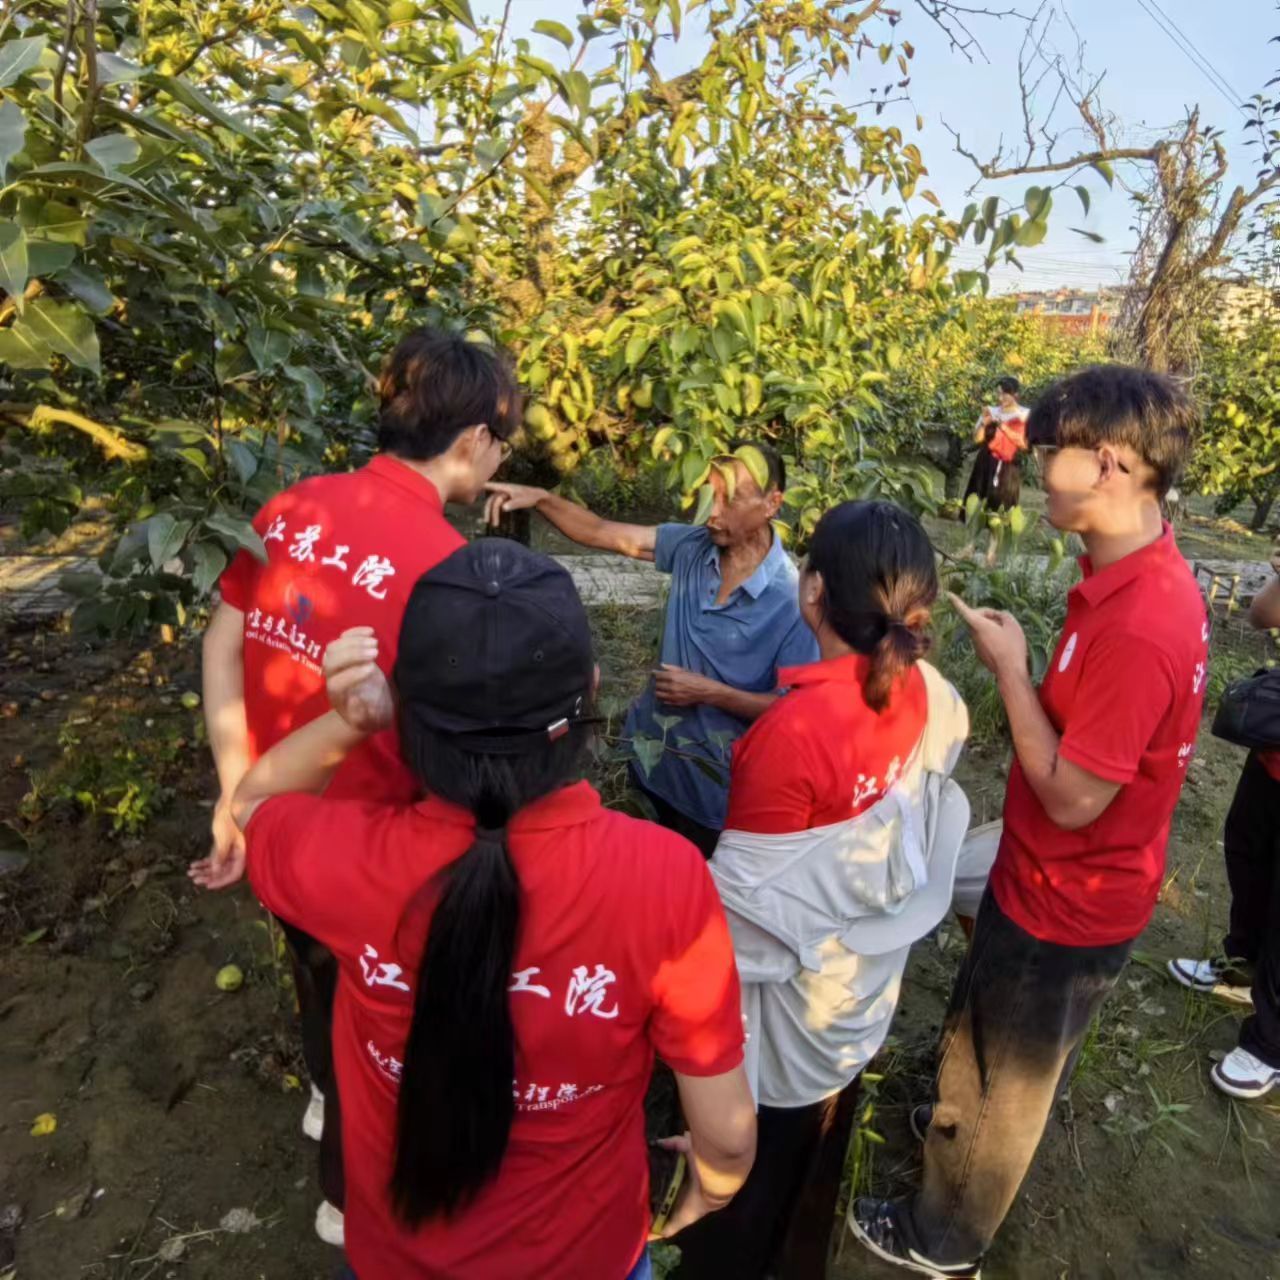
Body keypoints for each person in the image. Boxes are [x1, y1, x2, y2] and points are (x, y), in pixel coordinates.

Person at [232, 540, 757, 1280]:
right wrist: (709, 1190)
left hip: (391, 1259)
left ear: (405, 711)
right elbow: (727, 1136)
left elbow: (253, 804)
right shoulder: (662, 877)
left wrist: (351, 721)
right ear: (591, 693)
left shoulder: (348, 859)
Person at [849, 364, 1206, 1278]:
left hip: (1067, 900)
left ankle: (945, 1235)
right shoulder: (1124, 578)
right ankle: (955, 1126)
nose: (1037, 468)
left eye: (1052, 453)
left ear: (1110, 465)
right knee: (986, 1044)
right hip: (1049, 870)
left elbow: (1075, 796)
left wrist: (1010, 670)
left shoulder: (1141, 624)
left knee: (1006, 1076)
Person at [188, 329, 521, 1246]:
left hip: (274, 825)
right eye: (503, 441)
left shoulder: (292, 506)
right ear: (473, 441)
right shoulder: (449, 573)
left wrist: (237, 798)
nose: (501, 458)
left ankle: (317, 1089)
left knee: (311, 973)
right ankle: (343, 1195)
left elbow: (222, 642)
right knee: (369, 1023)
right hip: (368, 861)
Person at [670, 501, 972, 1280]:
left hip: (787, 1011)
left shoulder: (795, 733)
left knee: (750, 1186)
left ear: (812, 592)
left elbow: (746, 917)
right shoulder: (928, 692)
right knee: (809, 1160)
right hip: (857, 988)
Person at [483, 443, 818, 858]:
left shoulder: (790, 602)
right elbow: (602, 531)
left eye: (730, 500)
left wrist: (711, 693)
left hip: (712, 794)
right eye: (710, 495)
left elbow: (793, 714)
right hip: (648, 760)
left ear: (772, 504)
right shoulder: (693, 547)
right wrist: (541, 499)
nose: (712, 513)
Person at [1170, 535, 1280, 1099]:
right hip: (1274, 756)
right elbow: (1262, 614)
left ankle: (1270, 1044)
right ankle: (1242, 965)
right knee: (1246, 851)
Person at [962, 376, 1028, 513]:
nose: (1000, 398)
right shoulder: (991, 411)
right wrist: (983, 423)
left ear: (1015, 395)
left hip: (1008, 464)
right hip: (986, 460)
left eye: (1004, 394)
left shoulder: (1024, 414)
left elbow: (1024, 444)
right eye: (998, 394)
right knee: (979, 500)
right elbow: (977, 439)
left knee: (1003, 503)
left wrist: (1004, 427)